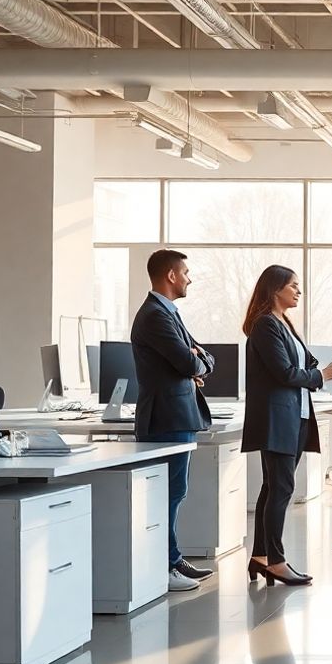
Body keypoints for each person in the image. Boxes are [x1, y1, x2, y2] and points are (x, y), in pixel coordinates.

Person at [241, 265, 332, 586]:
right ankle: (277, 561)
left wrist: (328, 370)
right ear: (276, 290)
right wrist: (321, 376)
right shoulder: (264, 326)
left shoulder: (283, 323)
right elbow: (285, 373)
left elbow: (305, 364)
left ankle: (261, 557)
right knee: (281, 489)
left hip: (294, 417)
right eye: (294, 286)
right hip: (277, 420)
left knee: (272, 488)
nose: (298, 292)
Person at [130, 249, 216, 593]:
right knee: (167, 494)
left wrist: (197, 361)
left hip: (177, 414)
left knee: (175, 492)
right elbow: (187, 361)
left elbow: (204, 356)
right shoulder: (155, 316)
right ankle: (163, 566)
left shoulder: (168, 313)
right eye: (186, 272)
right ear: (170, 275)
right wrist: (194, 363)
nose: (189, 278)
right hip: (167, 416)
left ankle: (172, 558)